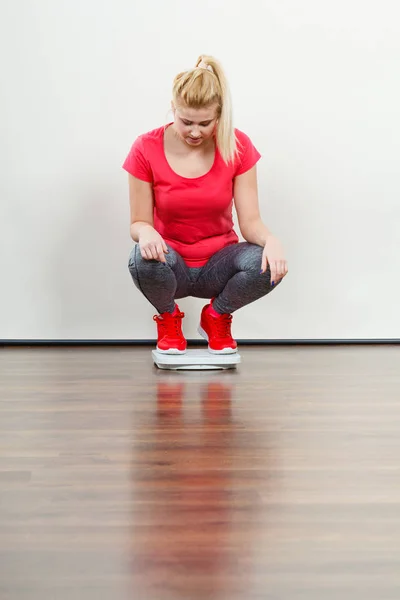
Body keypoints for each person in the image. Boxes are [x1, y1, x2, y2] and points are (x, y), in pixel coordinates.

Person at [122, 55, 288, 355]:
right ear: (173, 109)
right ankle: (169, 319)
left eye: (205, 123)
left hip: (218, 263)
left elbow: (250, 222)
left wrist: (271, 241)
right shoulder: (145, 148)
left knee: (267, 263)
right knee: (140, 259)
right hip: (171, 264)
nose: (195, 132)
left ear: (219, 116)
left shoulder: (237, 146)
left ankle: (216, 317)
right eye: (186, 122)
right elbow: (138, 222)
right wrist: (145, 233)